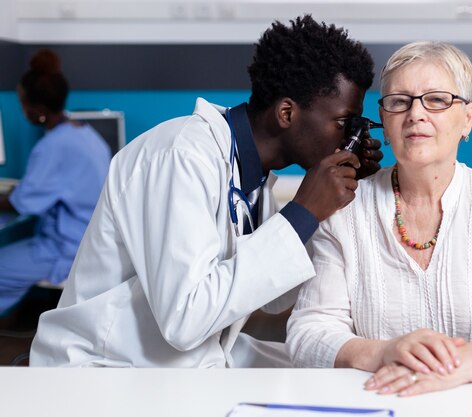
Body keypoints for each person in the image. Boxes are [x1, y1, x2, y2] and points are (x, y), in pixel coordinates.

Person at [30, 15, 382, 367]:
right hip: (103, 367)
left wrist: (331, 207)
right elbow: (185, 318)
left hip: (175, 360)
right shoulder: (181, 157)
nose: (349, 139)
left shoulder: (250, 174)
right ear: (286, 113)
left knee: (321, 370)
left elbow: (274, 295)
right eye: (343, 123)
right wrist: (303, 212)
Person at [286, 41, 472, 396]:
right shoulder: (345, 210)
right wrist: (383, 352)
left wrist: (456, 367)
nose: (416, 114)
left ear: (468, 118)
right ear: (384, 118)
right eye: (399, 101)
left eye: (438, 99)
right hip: (376, 400)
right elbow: (308, 333)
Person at [0, 49, 111, 314]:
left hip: (65, 249)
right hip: (89, 241)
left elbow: (22, 204)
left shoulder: (53, 146)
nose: (21, 109)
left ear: (37, 111)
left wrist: (11, 196)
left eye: (22, 103)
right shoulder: (85, 133)